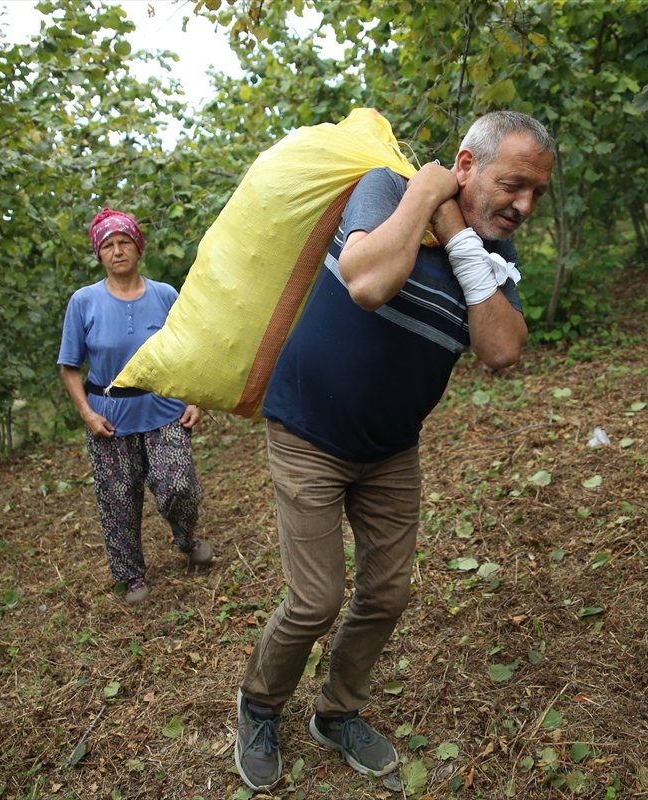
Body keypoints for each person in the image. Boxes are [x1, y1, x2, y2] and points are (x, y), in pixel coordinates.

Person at [234, 111, 554, 790]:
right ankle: (260, 705)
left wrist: (458, 237)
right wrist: (425, 196)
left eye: (536, 193)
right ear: (465, 165)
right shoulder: (386, 188)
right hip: (308, 432)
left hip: (389, 450)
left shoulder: (493, 255)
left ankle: (336, 712)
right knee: (315, 599)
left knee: (386, 594)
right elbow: (368, 284)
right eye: (513, 185)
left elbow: (501, 349)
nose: (524, 205)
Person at [58, 208, 214, 605]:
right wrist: (87, 414)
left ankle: (186, 537)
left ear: (138, 247)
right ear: (99, 254)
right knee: (119, 502)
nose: (117, 251)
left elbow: (187, 351)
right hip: (109, 418)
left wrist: (194, 398)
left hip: (164, 410)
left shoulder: (165, 295)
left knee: (178, 487)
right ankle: (130, 575)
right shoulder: (84, 301)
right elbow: (69, 366)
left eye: (124, 242)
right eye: (108, 246)